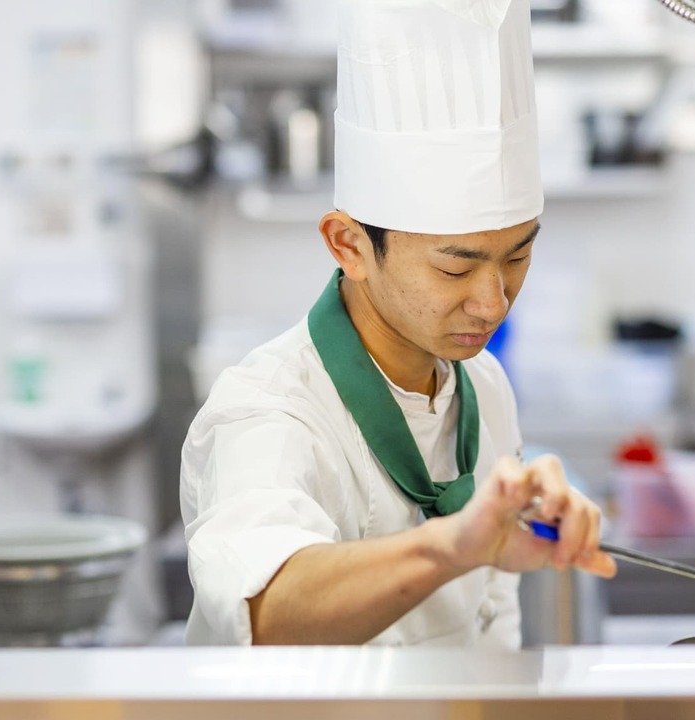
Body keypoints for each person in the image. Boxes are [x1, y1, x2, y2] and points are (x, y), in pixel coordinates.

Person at [180, 0, 616, 648]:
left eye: (518, 255)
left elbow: (494, 634)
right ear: (349, 245)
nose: (493, 303)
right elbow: (266, 608)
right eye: (455, 268)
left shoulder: (485, 388)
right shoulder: (270, 412)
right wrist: (455, 544)